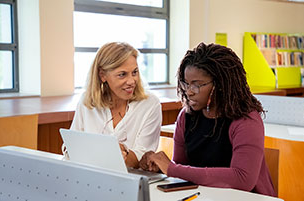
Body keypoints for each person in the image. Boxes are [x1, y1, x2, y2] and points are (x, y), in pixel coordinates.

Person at [139, 42, 276, 197]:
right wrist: (161, 167)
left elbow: (242, 179)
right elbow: (182, 168)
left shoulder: (246, 120)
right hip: (203, 196)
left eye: (197, 85)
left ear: (220, 85)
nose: (189, 92)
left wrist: (171, 168)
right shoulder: (186, 116)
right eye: (186, 84)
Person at [69, 42, 162, 168]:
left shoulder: (150, 104)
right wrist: (109, 153)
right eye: (122, 74)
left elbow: (142, 158)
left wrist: (117, 155)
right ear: (103, 75)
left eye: (134, 72)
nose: (131, 81)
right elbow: (72, 147)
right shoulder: (87, 102)